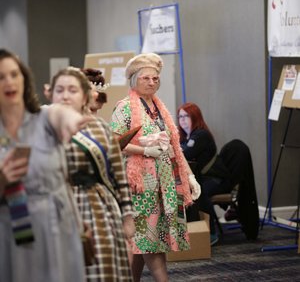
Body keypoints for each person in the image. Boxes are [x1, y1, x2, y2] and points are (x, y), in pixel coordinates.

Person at [110, 53, 201, 282]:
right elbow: (114, 143)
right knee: (149, 242)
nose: (152, 82)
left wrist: (189, 177)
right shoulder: (125, 108)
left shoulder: (160, 108)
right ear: (134, 80)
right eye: (146, 78)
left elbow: (174, 147)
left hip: (164, 185)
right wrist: (144, 151)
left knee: (141, 243)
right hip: (140, 186)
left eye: (155, 78)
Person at [0, 49, 87, 281]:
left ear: (24, 78)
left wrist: (72, 119)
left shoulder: (43, 118)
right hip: (12, 229)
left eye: (14, 74)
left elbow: (60, 114)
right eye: (1, 77)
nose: (9, 81)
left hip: (57, 226)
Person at [49, 66, 135, 282]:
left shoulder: (100, 127)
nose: (66, 95)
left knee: (102, 269)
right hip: (57, 207)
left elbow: (118, 175)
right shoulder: (44, 126)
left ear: (85, 95)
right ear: (51, 93)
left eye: (73, 89)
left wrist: (127, 216)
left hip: (98, 206)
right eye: (60, 90)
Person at [177, 102, 259, 244]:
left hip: (217, 179)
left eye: (186, 116)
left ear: (195, 117)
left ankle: (211, 233)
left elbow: (185, 154)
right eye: (180, 116)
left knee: (198, 192)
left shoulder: (200, 134)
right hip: (207, 179)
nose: (182, 119)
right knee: (188, 189)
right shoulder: (186, 138)